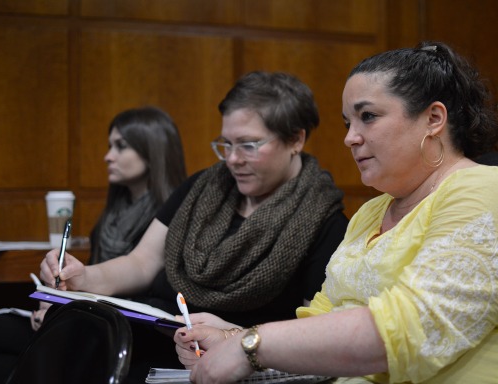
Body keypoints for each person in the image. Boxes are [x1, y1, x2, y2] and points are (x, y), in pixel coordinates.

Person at [175, 41, 498, 384]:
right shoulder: (371, 212)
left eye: (368, 117)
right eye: (348, 122)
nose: (349, 138)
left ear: (433, 119)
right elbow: (320, 321)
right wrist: (232, 338)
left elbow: (415, 327)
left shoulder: (481, 189)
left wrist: (251, 345)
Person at [39, 71, 349, 380]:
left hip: (220, 365)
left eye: (248, 145)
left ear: (296, 139)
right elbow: (141, 262)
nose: (232, 159)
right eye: (226, 144)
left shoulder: (323, 222)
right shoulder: (202, 187)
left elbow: (311, 336)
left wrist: (232, 336)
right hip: (148, 339)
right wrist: (85, 276)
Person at [0, 105, 187, 383]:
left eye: (121, 146)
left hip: (126, 328)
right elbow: (90, 276)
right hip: (88, 312)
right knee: (0, 359)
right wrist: (54, 302)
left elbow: (144, 288)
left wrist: (61, 312)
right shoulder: (113, 213)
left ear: (151, 151)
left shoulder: (170, 215)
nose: (107, 157)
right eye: (109, 146)